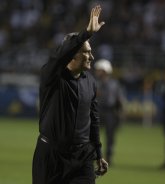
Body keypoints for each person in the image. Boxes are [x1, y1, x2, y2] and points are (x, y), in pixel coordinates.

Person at [32, 5, 108, 184]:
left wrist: (98, 153)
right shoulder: (52, 77)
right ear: (72, 54)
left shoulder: (90, 81)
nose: (91, 57)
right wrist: (86, 33)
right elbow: (59, 57)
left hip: (82, 157)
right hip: (51, 155)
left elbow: (93, 119)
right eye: (87, 52)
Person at [94, 59, 125, 166]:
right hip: (97, 111)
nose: (97, 71)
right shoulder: (94, 82)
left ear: (105, 70)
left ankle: (108, 158)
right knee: (93, 136)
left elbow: (119, 99)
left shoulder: (114, 84)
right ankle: (94, 157)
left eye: (99, 69)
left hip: (110, 112)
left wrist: (120, 114)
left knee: (110, 137)